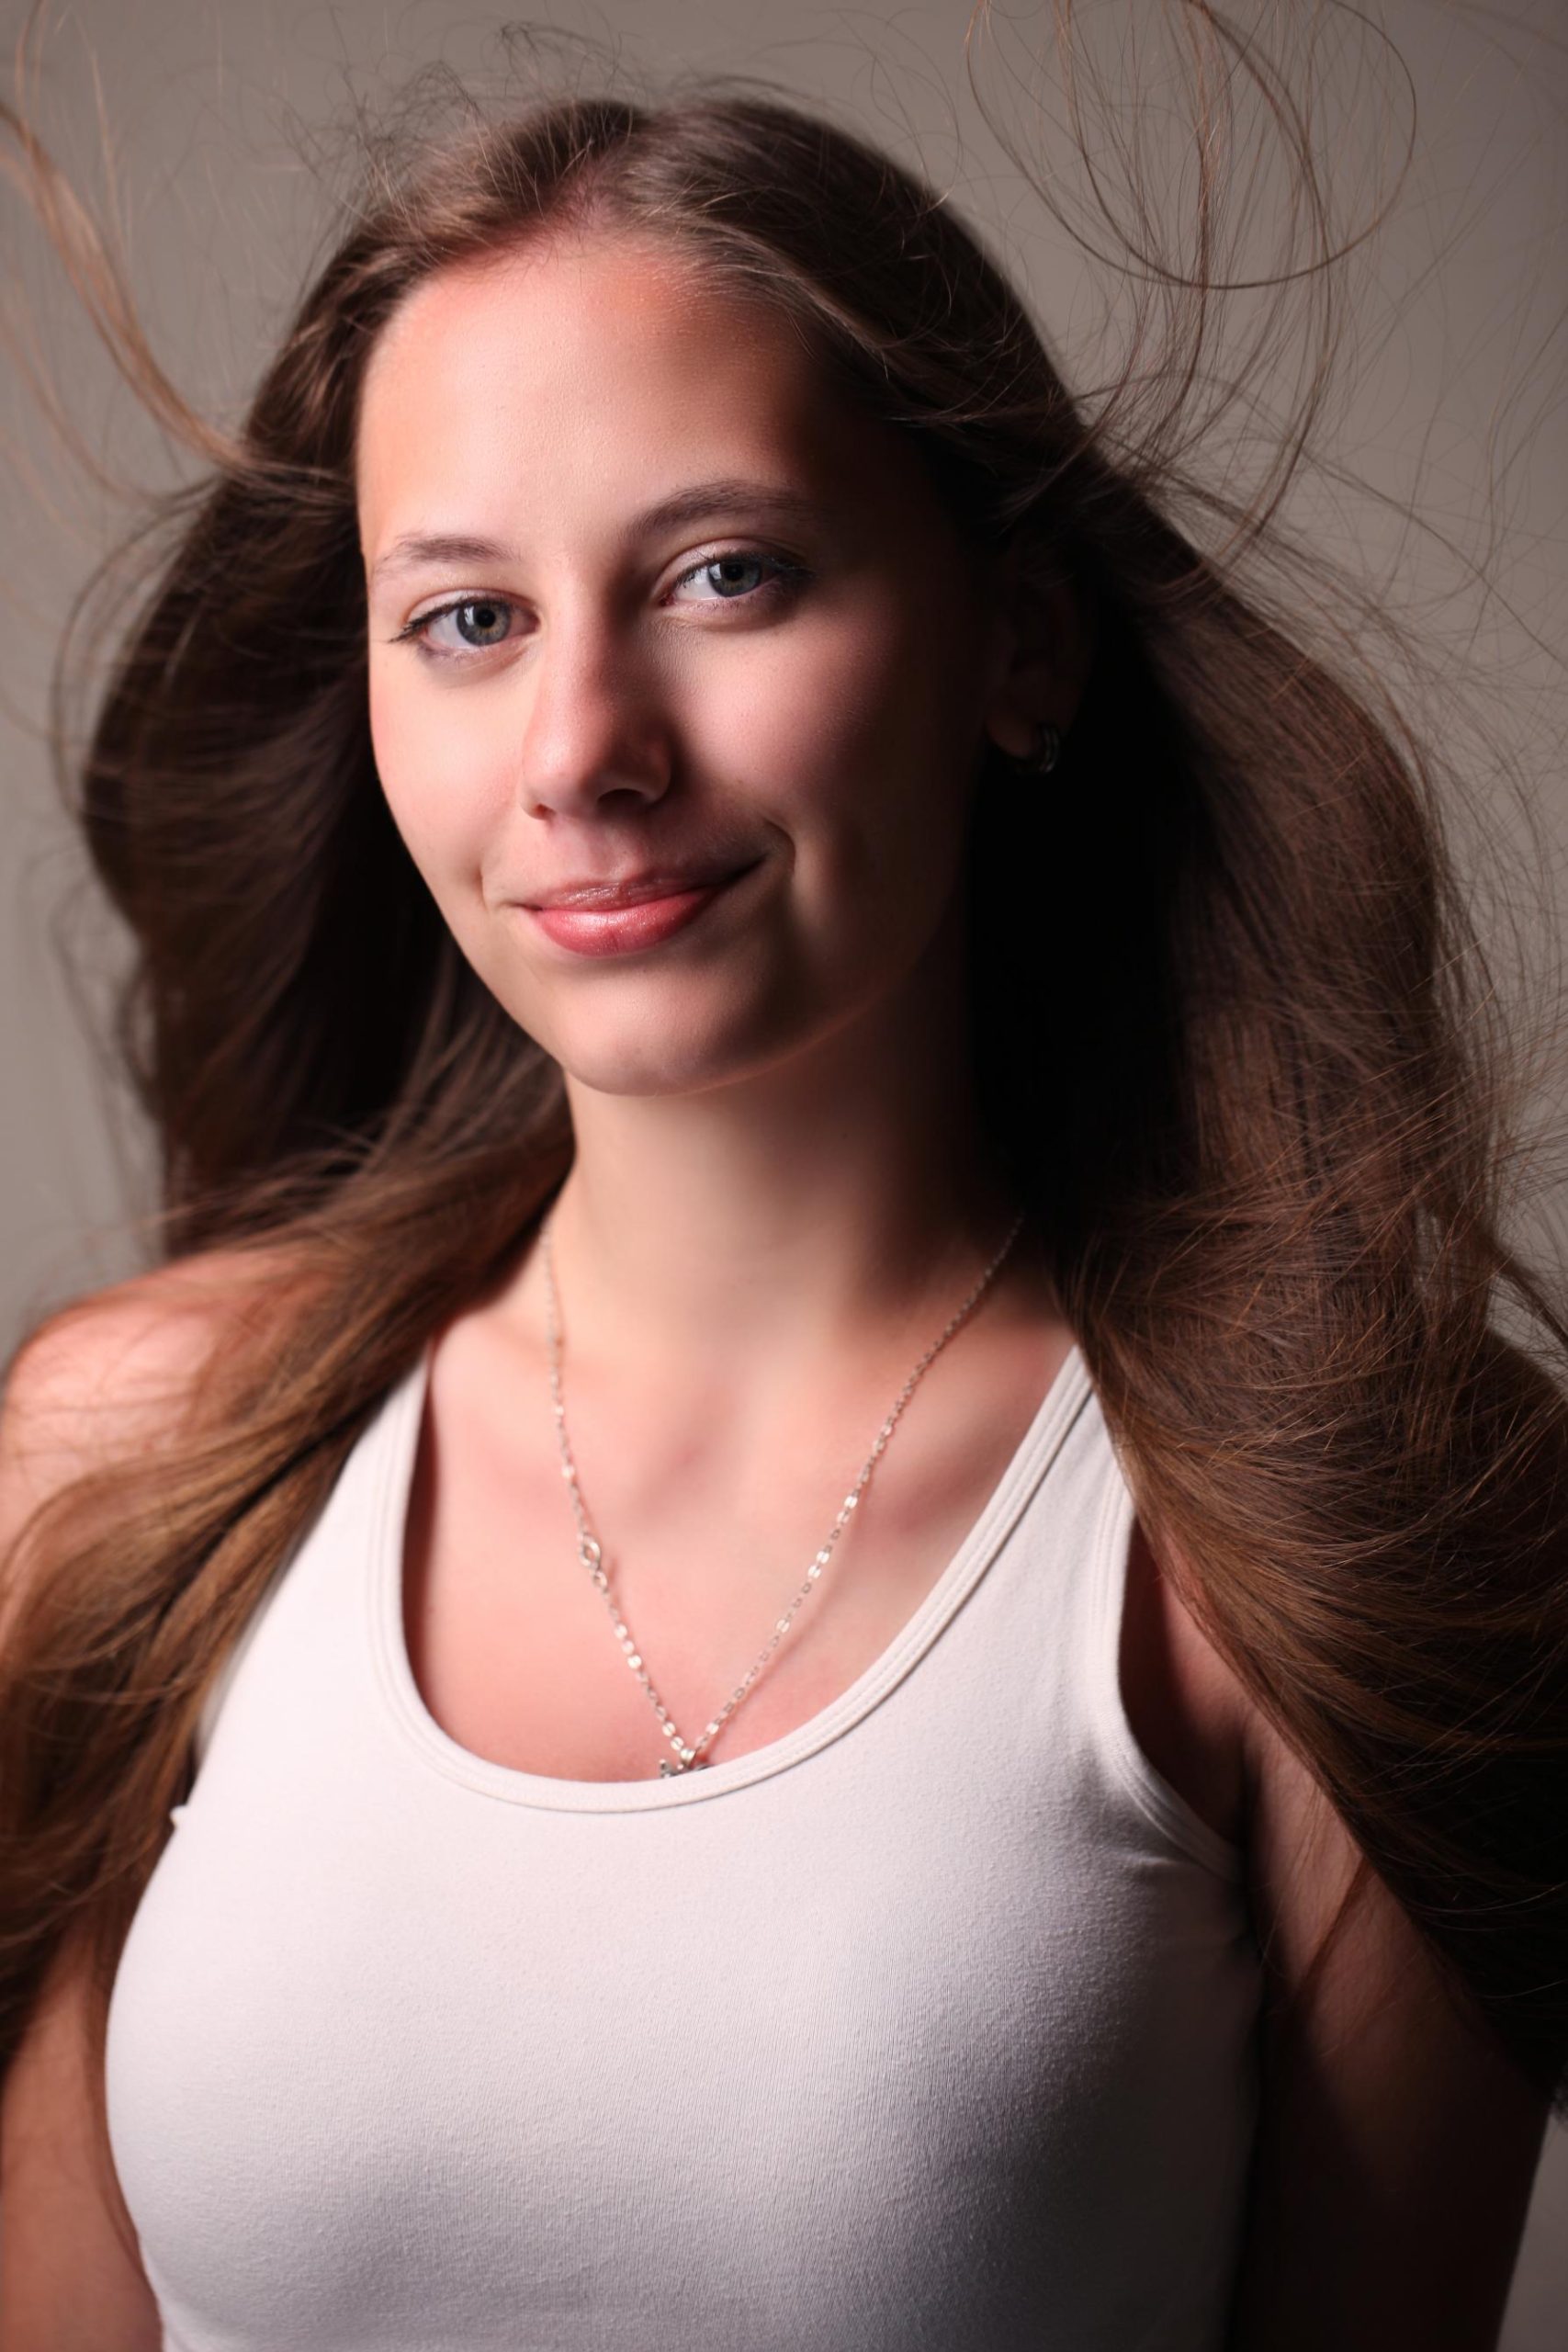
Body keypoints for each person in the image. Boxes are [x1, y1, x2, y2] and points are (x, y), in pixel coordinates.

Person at [0, 18, 1564, 2350]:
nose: (581, 752)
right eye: (467, 618)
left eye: (724, 574)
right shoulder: (125, 1463)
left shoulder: (1355, 1532)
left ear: (1013, 642)